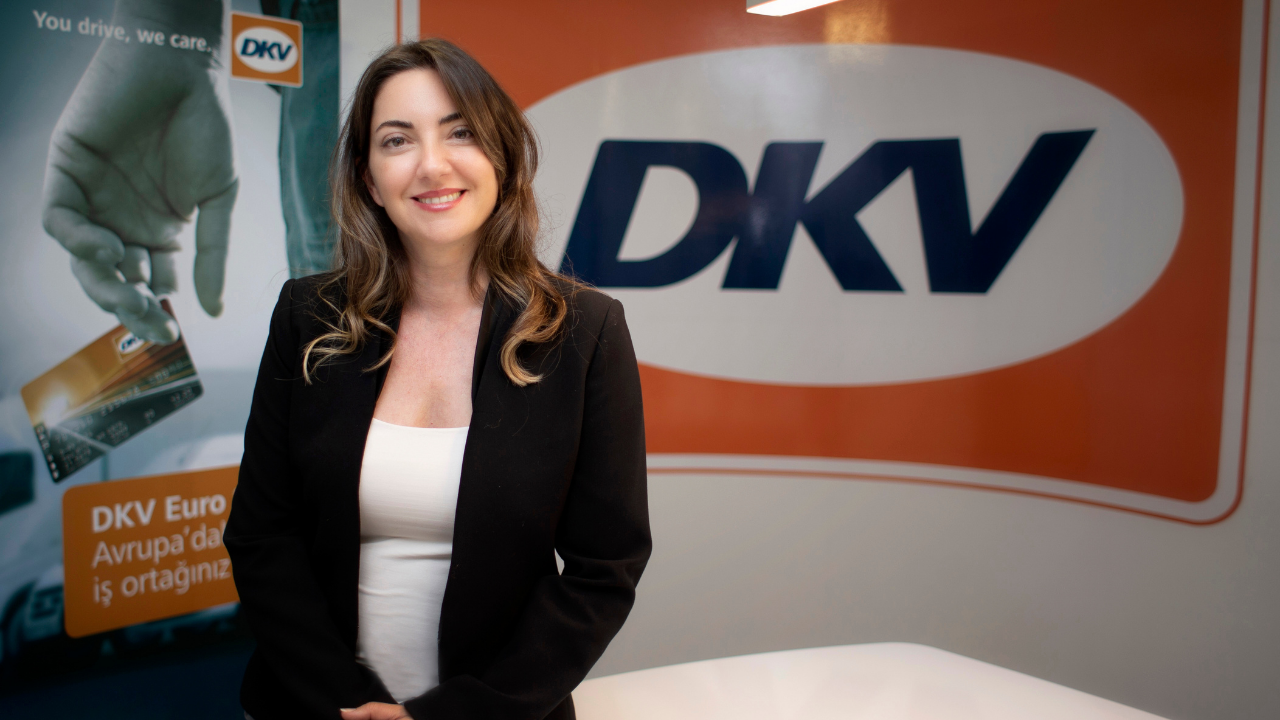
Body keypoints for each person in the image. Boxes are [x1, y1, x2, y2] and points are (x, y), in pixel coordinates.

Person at [223, 38, 651, 720]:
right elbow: (261, 536)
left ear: (501, 157)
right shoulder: (307, 316)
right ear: (369, 179)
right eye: (397, 140)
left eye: (460, 132)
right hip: (311, 707)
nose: (431, 164)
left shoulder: (585, 332)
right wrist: (345, 704)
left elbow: (605, 569)